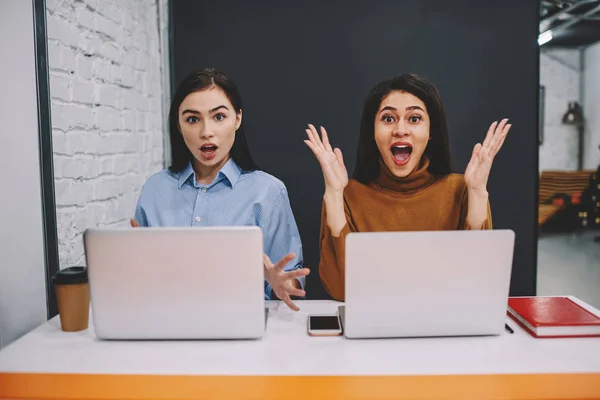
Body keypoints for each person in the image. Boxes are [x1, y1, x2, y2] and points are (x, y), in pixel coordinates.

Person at [304, 73, 511, 301]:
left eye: (414, 119)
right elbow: (342, 290)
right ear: (373, 132)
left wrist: (478, 192)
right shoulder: (347, 194)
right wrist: (334, 195)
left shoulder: (461, 189)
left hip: (446, 330)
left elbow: (478, 280)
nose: (400, 129)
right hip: (373, 330)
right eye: (388, 119)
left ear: (431, 131)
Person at [132, 68, 309, 310]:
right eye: (193, 119)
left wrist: (278, 285)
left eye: (218, 117)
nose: (206, 132)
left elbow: (291, 286)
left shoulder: (268, 191)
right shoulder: (155, 189)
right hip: (167, 326)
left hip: (242, 330)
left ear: (237, 119)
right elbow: (137, 282)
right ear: (179, 125)